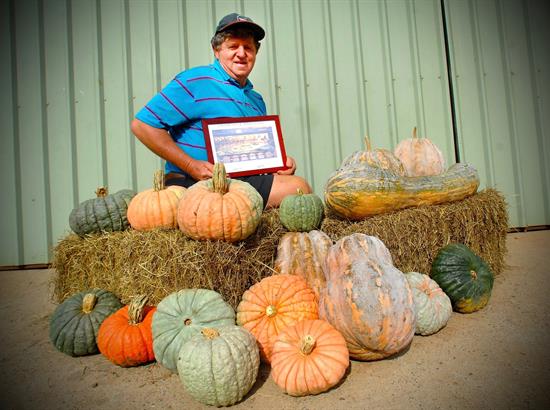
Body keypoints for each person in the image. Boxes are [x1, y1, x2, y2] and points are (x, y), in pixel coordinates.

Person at [131, 12, 311, 208]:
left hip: (235, 185)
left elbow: (255, 157)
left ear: (255, 53)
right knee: (297, 188)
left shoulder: (255, 100)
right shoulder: (195, 81)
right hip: (194, 183)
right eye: (233, 46)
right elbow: (142, 125)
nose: (241, 53)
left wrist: (279, 165)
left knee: (297, 188)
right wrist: (192, 166)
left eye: (248, 48)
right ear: (216, 51)